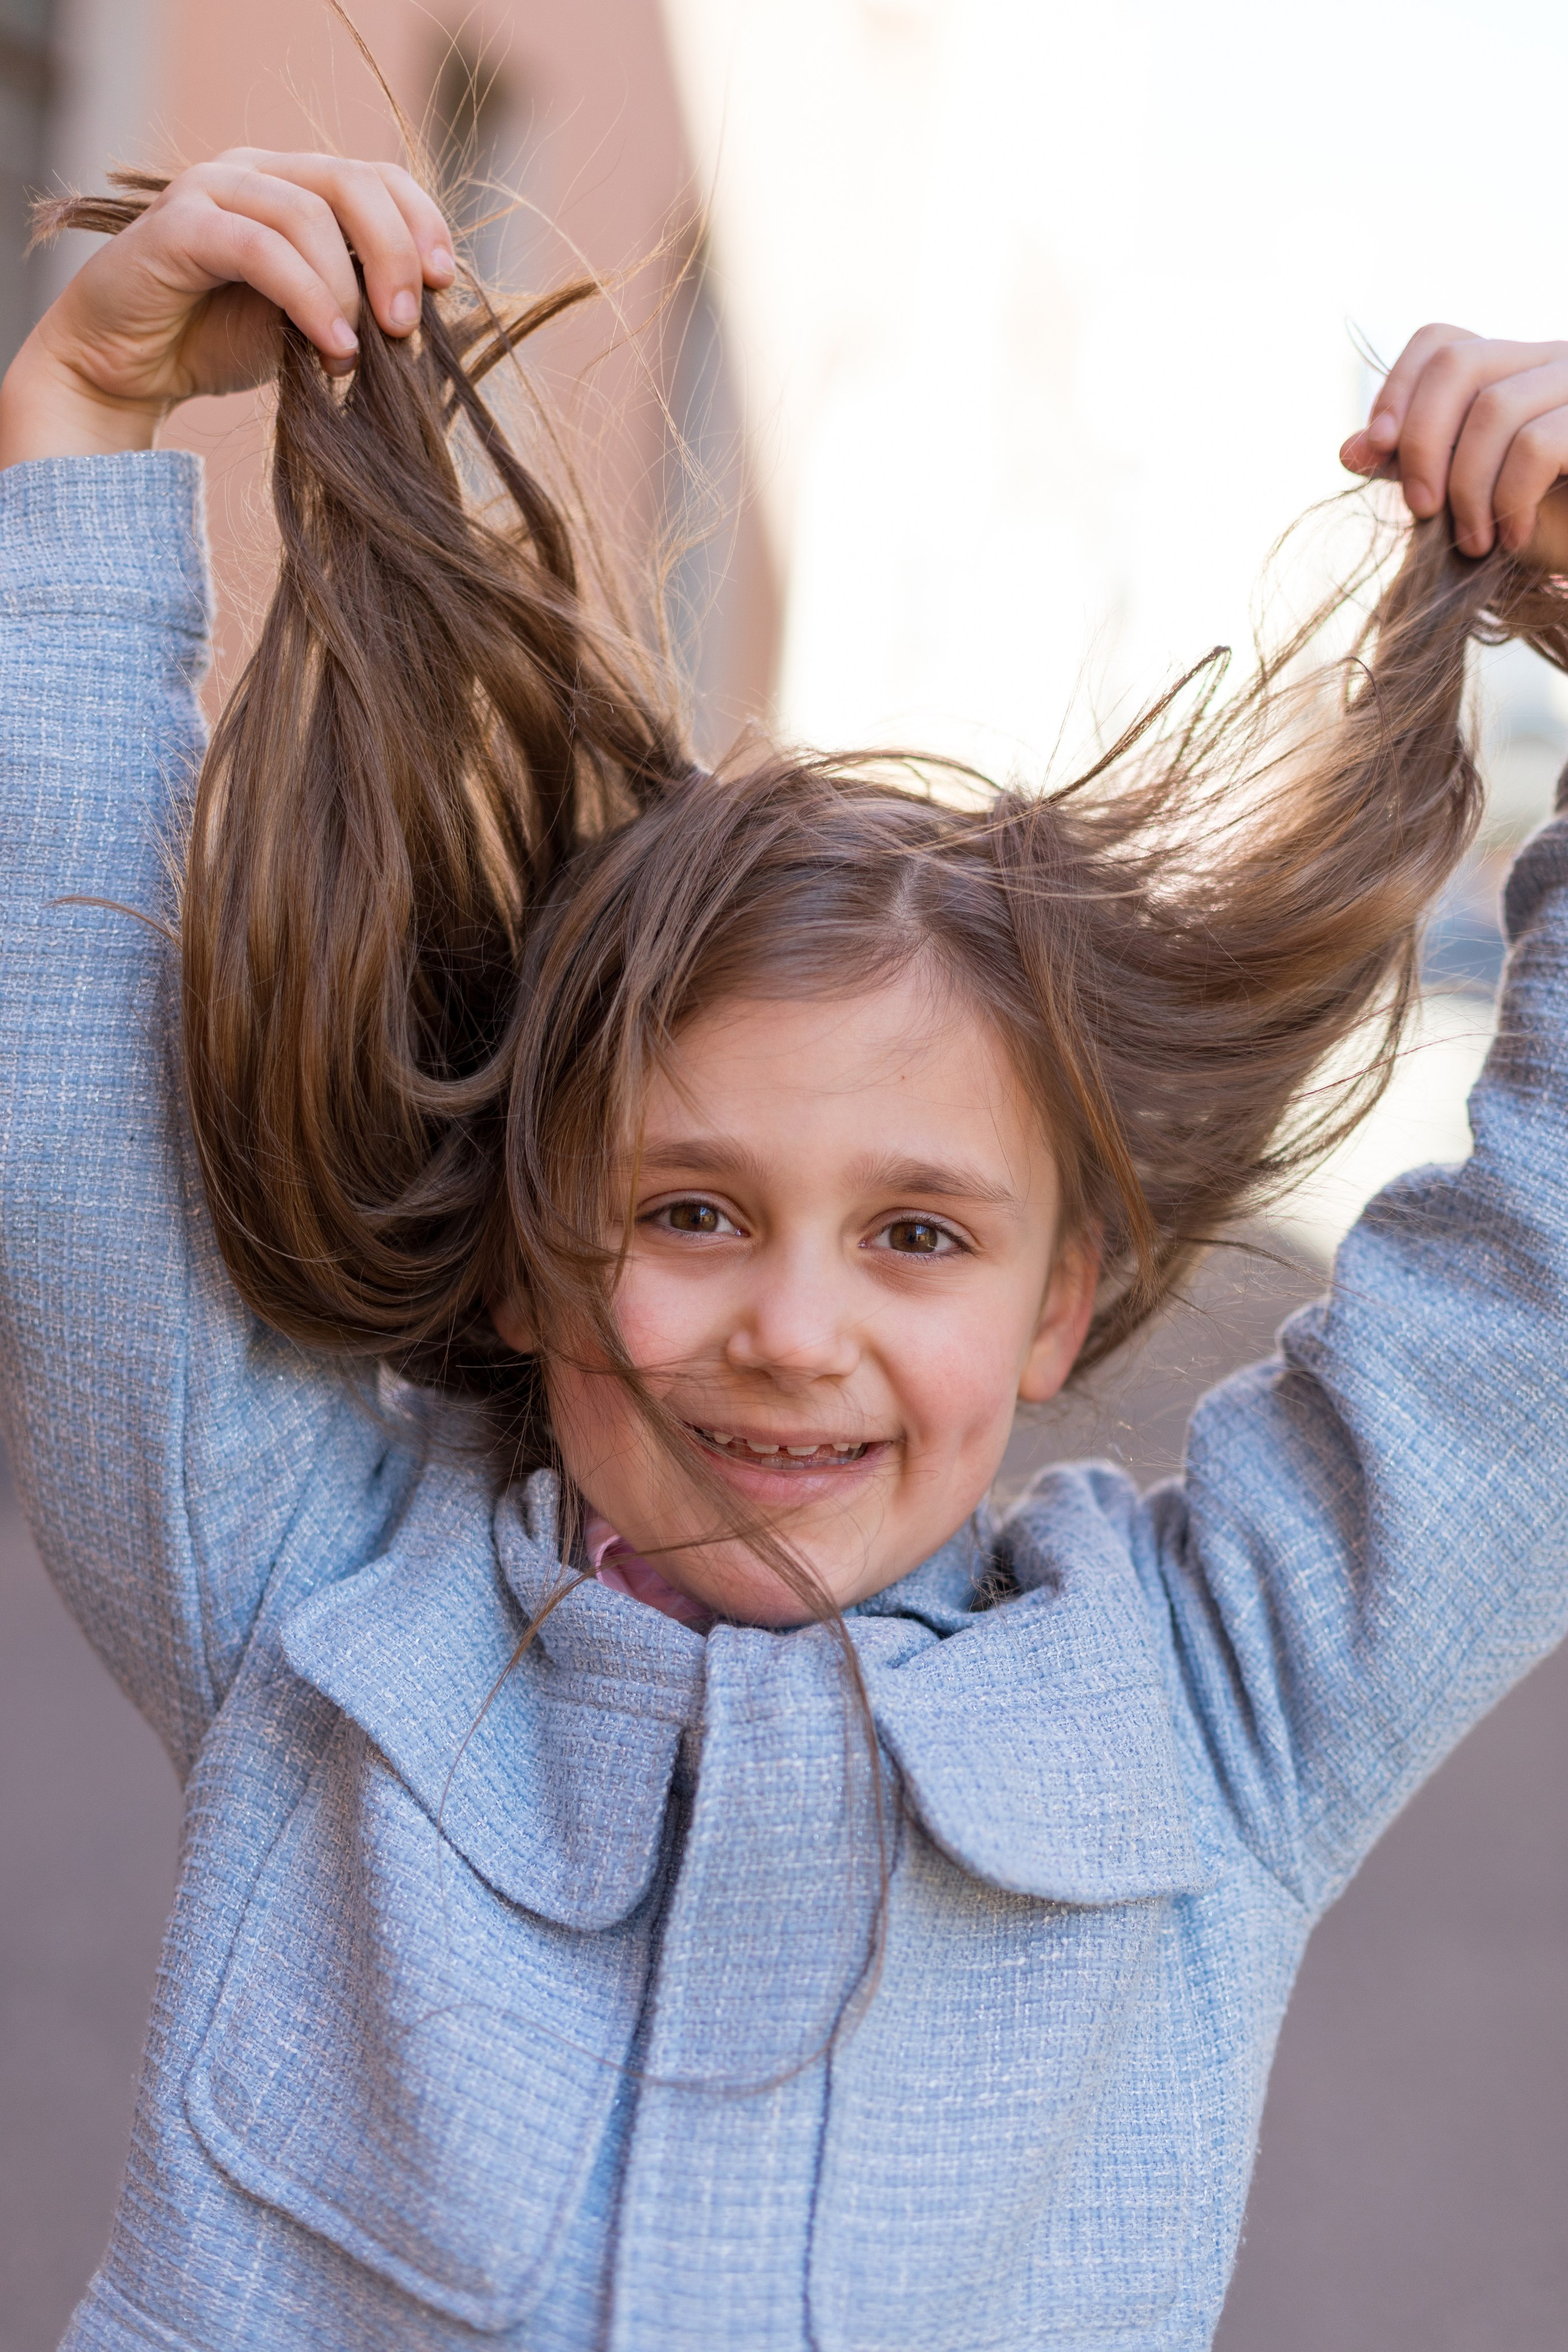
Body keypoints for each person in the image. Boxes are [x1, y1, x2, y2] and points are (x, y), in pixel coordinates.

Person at [2, 146, 1568, 2352]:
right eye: (688, 1213)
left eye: (918, 1233)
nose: (791, 1330)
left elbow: (1535, 1322)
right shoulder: (313, 1612)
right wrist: (77, 416)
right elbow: (72, 1119)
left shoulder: (1213, 1714)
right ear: (537, 1255)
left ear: (1069, 1297)